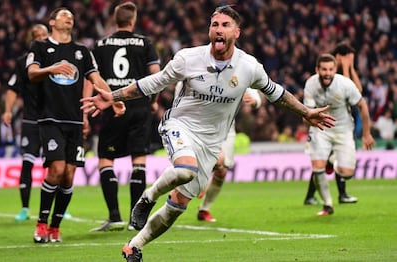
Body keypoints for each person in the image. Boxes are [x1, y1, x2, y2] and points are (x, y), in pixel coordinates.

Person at [81, 5, 335, 261]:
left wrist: (306, 112)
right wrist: (112, 97)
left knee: (177, 205)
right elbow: (153, 82)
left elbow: (276, 94)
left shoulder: (249, 67)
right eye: (215, 25)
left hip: (212, 143)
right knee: (184, 170)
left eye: (225, 25)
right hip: (179, 125)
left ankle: (134, 246)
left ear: (237, 32)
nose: (218, 30)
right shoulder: (188, 58)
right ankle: (147, 197)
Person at [27, 7, 125, 243]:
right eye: (63, 14)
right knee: (57, 170)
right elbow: (31, 73)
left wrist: (113, 98)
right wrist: (52, 68)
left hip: (74, 120)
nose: (68, 17)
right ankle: (41, 224)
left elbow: (96, 78)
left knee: (69, 177)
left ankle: (55, 227)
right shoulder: (40, 47)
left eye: (71, 15)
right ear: (52, 22)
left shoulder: (81, 51)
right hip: (50, 118)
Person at [89, 2, 161, 232]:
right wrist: (153, 100)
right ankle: (135, 220)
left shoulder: (100, 45)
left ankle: (114, 216)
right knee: (138, 160)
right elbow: (156, 76)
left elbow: (90, 77)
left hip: (112, 107)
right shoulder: (145, 43)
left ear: (114, 20)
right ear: (133, 20)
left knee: (105, 160)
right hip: (139, 107)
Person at [303, 53, 374, 216]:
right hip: (320, 128)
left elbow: (362, 105)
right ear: (317, 70)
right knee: (317, 166)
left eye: (330, 69)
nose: (327, 73)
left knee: (346, 173)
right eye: (324, 69)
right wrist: (308, 121)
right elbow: (308, 111)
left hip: (342, 129)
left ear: (335, 70)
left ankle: (332, 161)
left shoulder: (345, 84)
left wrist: (367, 134)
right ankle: (327, 205)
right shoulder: (311, 84)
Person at [2, 24, 49, 222]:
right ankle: (25, 208)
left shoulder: (57, 58)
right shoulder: (23, 63)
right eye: (36, 36)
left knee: (56, 166)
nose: (39, 39)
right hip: (30, 120)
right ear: (31, 39)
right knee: (27, 164)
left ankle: (57, 208)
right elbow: (13, 89)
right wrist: (7, 111)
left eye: (43, 35)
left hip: (52, 120)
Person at [197, 87, 261, 222]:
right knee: (217, 161)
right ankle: (200, 180)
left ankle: (204, 209)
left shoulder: (237, 71)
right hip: (201, 125)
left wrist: (254, 101)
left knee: (222, 172)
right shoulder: (200, 70)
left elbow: (255, 94)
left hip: (227, 127)